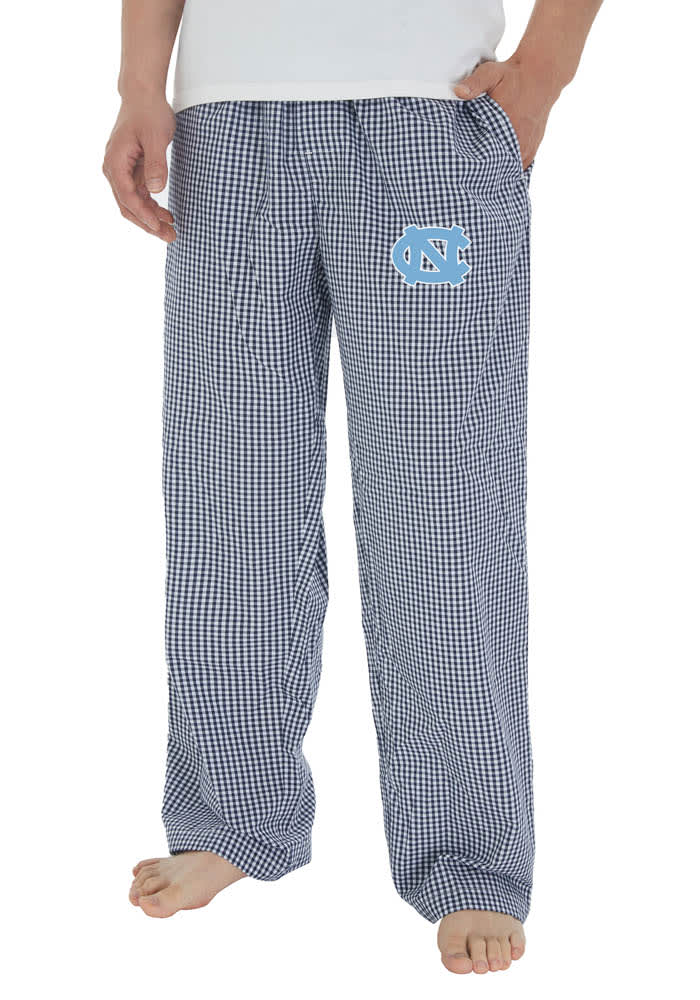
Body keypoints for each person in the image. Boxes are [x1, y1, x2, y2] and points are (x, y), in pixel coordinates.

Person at [104, 0, 602, 975]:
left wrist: (545, 70)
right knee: (227, 497)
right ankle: (233, 814)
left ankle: (468, 854)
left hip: (427, 122)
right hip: (227, 127)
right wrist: (138, 83)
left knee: (440, 509)